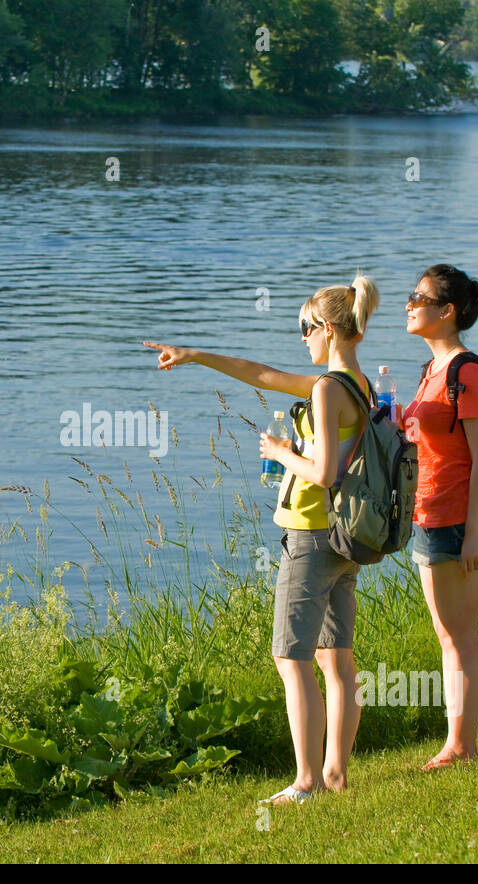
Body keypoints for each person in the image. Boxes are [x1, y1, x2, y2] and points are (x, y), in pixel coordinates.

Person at [144, 273, 380, 803]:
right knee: (336, 659)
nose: (302, 340)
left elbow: (322, 472)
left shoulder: (326, 389)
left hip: (312, 536)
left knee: (291, 658)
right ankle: (336, 775)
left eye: (304, 329)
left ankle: (307, 781)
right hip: (346, 537)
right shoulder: (355, 384)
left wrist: (279, 452)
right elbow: (264, 375)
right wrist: (195, 354)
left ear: (324, 327)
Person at [401, 264, 478, 770]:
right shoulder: (430, 372)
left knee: (460, 633)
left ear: (447, 312)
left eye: (419, 297)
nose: (409, 303)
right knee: (447, 632)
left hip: (460, 522)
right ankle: (456, 740)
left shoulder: (468, 372)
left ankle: (462, 746)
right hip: (428, 514)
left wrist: (476, 533)